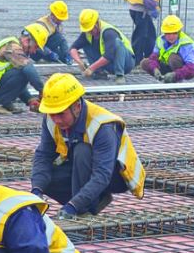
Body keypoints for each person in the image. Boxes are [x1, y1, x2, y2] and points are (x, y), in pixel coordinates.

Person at [31, 73, 145, 219]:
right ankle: (91, 200)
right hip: (81, 168)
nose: (56, 120)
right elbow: (43, 155)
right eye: (52, 114)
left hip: (114, 177)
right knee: (42, 174)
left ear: (77, 107)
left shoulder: (102, 125)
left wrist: (74, 207)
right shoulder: (51, 118)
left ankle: (83, 208)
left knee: (82, 150)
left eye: (61, 114)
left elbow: (102, 174)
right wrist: (36, 191)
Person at [0, 24, 49, 115]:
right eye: (36, 47)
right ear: (27, 40)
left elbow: (15, 82)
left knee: (21, 72)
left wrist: (29, 99)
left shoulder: (13, 45)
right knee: (23, 72)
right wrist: (42, 90)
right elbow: (28, 70)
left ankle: (4, 103)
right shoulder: (13, 47)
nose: (34, 51)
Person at [70, 9, 135, 85]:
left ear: (97, 23)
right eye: (88, 30)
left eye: (91, 29)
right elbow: (73, 48)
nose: (89, 32)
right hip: (110, 64)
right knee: (86, 45)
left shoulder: (108, 32)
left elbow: (109, 55)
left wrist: (91, 68)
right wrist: (79, 62)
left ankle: (120, 75)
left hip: (126, 63)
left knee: (117, 43)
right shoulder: (87, 33)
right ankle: (99, 73)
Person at [140, 15, 194, 83]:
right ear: (164, 33)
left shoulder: (185, 43)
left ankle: (176, 81)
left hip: (189, 70)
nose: (171, 36)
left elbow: (191, 68)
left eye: (174, 33)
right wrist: (155, 69)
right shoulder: (160, 40)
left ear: (179, 32)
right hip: (169, 66)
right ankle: (164, 78)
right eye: (168, 34)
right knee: (145, 63)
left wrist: (175, 75)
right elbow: (153, 58)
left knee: (173, 58)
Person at [29, 0, 72, 65]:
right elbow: (36, 44)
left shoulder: (58, 25)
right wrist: (49, 53)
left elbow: (63, 41)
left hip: (49, 48)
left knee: (63, 58)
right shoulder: (42, 24)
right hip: (36, 51)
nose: (60, 21)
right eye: (58, 18)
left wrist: (67, 54)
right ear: (52, 14)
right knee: (59, 37)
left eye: (61, 19)